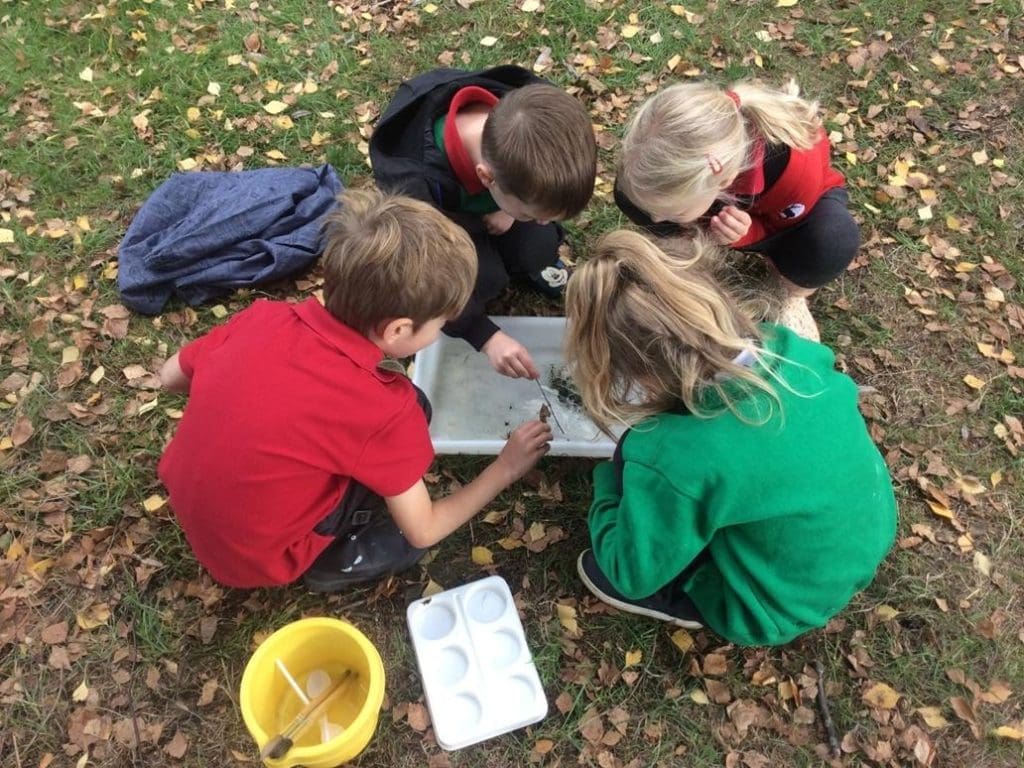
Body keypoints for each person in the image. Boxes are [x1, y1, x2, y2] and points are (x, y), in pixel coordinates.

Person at [157, 189, 553, 592]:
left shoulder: (264, 316)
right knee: (405, 542)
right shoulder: (383, 410)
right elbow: (425, 529)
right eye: (440, 324)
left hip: (188, 501)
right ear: (397, 330)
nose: (440, 331)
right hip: (256, 562)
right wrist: (506, 468)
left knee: (412, 407)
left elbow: (170, 375)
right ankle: (333, 559)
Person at [564, 230, 896, 646]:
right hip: (862, 537)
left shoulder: (677, 456)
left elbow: (629, 571)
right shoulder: (791, 350)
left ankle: (693, 602)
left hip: (778, 605)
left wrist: (610, 482)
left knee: (603, 568)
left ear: (639, 374)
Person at [370, 65, 597, 379]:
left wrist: (509, 212)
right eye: (532, 215)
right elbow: (428, 279)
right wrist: (485, 335)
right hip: (444, 219)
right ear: (486, 178)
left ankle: (527, 252)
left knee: (539, 246)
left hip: (498, 201)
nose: (541, 222)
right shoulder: (415, 186)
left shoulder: (534, 121)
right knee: (485, 279)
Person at [614, 79, 859, 342]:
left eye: (670, 214)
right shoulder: (704, 165)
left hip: (793, 217)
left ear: (722, 183)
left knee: (831, 240)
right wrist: (678, 213)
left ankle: (791, 294)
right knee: (633, 195)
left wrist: (746, 234)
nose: (656, 220)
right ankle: (687, 250)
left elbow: (785, 226)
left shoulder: (792, 169)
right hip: (719, 201)